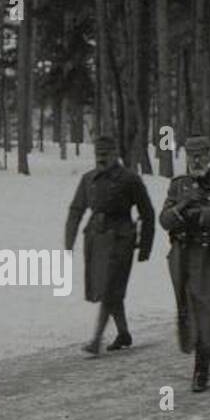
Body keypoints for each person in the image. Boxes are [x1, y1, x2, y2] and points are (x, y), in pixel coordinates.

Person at [159, 135, 210, 392]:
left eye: (201, 155)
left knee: (208, 307)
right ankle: (202, 349)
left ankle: (201, 367)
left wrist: (202, 215)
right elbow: (164, 220)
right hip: (182, 253)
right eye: (191, 155)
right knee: (187, 306)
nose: (196, 160)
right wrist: (180, 209)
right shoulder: (178, 185)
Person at [65, 135, 156, 354]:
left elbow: (148, 213)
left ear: (116, 154)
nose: (102, 159)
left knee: (109, 288)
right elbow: (76, 209)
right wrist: (69, 241)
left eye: (106, 154)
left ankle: (96, 339)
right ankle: (123, 333)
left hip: (120, 239)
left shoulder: (130, 179)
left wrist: (144, 247)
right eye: (98, 155)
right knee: (109, 289)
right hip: (95, 240)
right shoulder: (88, 179)